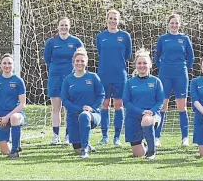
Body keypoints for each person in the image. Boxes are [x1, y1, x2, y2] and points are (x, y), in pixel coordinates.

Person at [154, 13, 195, 147]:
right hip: (165, 76)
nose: (174, 25)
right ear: (168, 24)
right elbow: (156, 57)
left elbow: (191, 58)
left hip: (181, 76)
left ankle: (185, 138)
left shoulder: (184, 39)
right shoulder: (162, 39)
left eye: (176, 23)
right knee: (162, 106)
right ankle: (157, 137)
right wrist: (164, 67)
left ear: (180, 24)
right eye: (172, 23)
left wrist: (183, 68)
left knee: (182, 107)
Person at [44, 17, 84, 145]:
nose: (64, 28)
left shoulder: (76, 42)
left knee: (69, 108)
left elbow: (82, 57)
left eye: (66, 25)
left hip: (71, 79)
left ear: (69, 26)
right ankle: (55, 136)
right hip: (55, 77)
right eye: (62, 25)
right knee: (56, 108)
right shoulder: (51, 42)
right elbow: (47, 59)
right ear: (57, 27)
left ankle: (68, 136)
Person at [96, 9, 132, 146]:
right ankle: (104, 136)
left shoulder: (125, 36)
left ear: (119, 20)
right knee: (104, 104)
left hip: (120, 75)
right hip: (104, 74)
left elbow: (128, 55)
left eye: (115, 19)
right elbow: (100, 52)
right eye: (110, 18)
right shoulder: (100, 36)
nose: (112, 21)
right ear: (107, 19)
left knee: (119, 105)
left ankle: (117, 138)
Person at [61, 48, 104, 158]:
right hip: (73, 116)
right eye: (77, 61)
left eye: (82, 61)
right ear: (73, 62)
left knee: (84, 116)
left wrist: (92, 108)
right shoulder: (67, 80)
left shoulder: (93, 77)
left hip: (92, 115)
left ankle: (85, 148)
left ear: (86, 62)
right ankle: (85, 146)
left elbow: (101, 95)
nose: (80, 63)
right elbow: (65, 100)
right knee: (77, 149)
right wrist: (79, 109)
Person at [123, 48, 164, 161]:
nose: (142, 65)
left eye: (145, 63)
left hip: (152, 115)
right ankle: (145, 146)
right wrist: (141, 112)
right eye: (139, 63)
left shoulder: (156, 81)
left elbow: (160, 101)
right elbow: (126, 102)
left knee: (146, 120)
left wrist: (151, 111)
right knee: (138, 153)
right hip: (133, 117)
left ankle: (151, 152)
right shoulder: (129, 82)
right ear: (135, 65)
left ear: (150, 65)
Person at [0, 53, 27, 158]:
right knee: (5, 151)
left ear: (13, 65)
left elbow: (22, 104)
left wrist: (8, 117)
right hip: (0, 117)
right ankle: (14, 142)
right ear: (0, 65)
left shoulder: (18, 81)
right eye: (4, 63)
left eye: (9, 63)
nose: (7, 66)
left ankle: (15, 150)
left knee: (14, 118)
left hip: (15, 113)